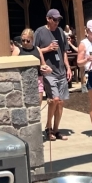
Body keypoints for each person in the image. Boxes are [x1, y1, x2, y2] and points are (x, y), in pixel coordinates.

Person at [35, 8, 71, 141]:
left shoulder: (61, 32)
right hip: (49, 72)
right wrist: (48, 49)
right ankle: (48, 128)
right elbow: (35, 51)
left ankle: (56, 130)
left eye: (58, 20)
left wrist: (68, 67)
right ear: (48, 19)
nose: (57, 22)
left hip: (61, 71)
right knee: (54, 99)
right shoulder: (40, 32)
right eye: (54, 19)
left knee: (60, 102)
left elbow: (64, 51)